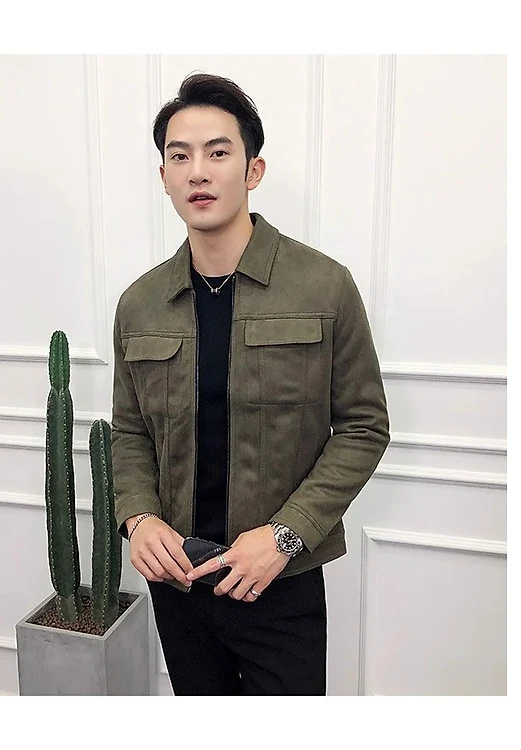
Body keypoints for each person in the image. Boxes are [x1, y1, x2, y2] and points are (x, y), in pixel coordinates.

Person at [110, 72, 390, 695]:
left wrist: (285, 537)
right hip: (179, 579)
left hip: (280, 579)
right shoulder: (140, 303)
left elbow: (365, 427)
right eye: (179, 156)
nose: (198, 172)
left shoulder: (323, 286)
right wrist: (139, 518)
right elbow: (129, 431)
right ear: (164, 177)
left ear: (253, 170)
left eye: (218, 152)